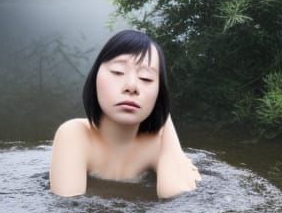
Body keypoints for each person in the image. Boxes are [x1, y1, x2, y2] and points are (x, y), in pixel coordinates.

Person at [49, 29, 200, 199]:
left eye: (146, 78)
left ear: (159, 93)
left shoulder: (158, 144)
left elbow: (177, 198)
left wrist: (164, 116)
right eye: (117, 72)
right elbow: (67, 210)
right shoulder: (75, 135)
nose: (131, 86)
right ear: (95, 78)